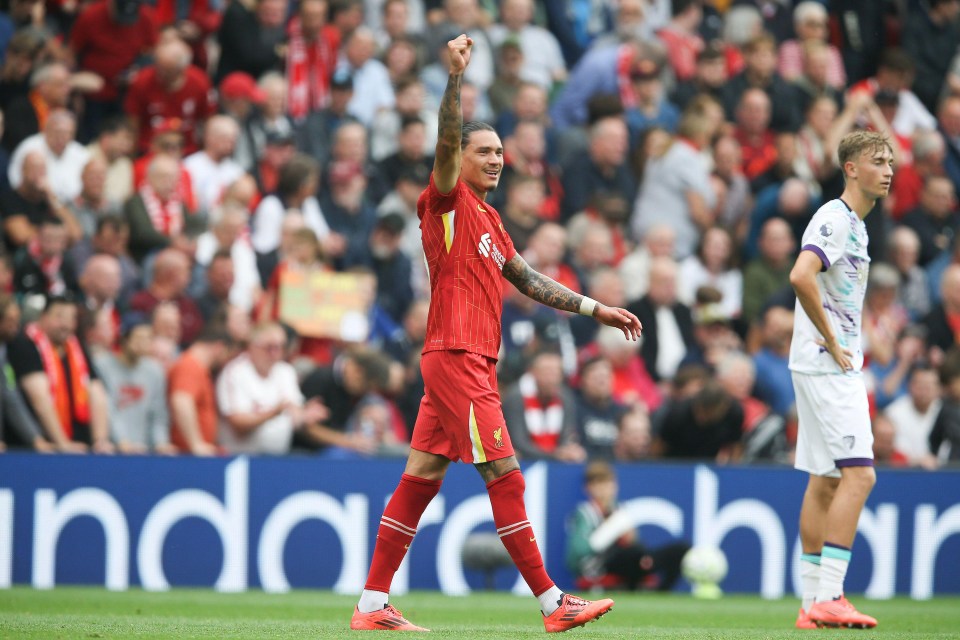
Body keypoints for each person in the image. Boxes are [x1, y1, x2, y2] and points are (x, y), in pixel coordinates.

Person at [350, 34, 642, 633]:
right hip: (458, 355)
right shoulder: (448, 200)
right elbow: (446, 139)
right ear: (461, 156)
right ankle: (552, 602)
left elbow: (527, 278)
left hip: (463, 359)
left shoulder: (489, 218)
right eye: (484, 150)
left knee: (420, 480)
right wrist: (454, 79)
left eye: (500, 152)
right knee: (505, 474)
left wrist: (595, 309)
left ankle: (372, 606)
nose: (495, 159)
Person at [788, 130, 893, 630]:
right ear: (851, 168)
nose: (888, 169)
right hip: (830, 365)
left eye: (890, 161)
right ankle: (832, 594)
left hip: (815, 362)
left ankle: (811, 605)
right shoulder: (834, 217)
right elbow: (801, 274)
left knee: (826, 479)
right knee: (860, 474)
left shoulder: (854, 223)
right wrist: (832, 339)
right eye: (878, 160)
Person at [566, 460, 690, 592]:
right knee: (632, 555)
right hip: (602, 564)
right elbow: (578, 552)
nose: (605, 490)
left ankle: (662, 591)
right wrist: (609, 531)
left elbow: (634, 542)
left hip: (632, 558)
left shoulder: (619, 509)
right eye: (599, 484)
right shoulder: (585, 513)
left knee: (680, 549)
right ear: (589, 488)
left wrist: (631, 537)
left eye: (608, 484)